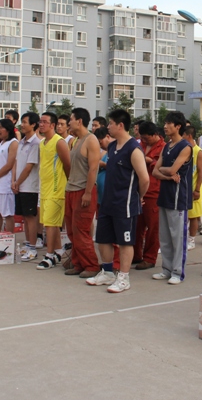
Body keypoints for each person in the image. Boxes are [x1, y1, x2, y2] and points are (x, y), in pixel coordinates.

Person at [86, 109, 150, 293]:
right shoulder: (112, 146)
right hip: (107, 202)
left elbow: (144, 179)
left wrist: (139, 196)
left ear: (120, 125)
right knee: (103, 239)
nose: (108, 127)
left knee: (125, 242)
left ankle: (123, 277)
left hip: (125, 204)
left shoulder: (134, 149)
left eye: (111, 123)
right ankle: (107, 272)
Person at [152, 111, 193, 285]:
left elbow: (172, 169)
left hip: (178, 198)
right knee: (165, 237)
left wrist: (166, 171)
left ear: (178, 126)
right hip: (165, 195)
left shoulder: (185, 147)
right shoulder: (166, 146)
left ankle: (177, 271)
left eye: (169, 123)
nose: (165, 126)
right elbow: (155, 171)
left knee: (178, 237)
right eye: (165, 123)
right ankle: (166, 269)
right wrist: (168, 175)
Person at [63, 108, 102, 278]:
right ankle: (78, 263)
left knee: (81, 230)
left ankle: (92, 265)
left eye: (71, 119)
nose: (69, 123)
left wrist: (87, 192)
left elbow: (93, 168)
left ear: (79, 121)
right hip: (71, 189)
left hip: (83, 191)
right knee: (72, 231)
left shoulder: (91, 140)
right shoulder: (76, 141)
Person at [36, 112, 71, 270]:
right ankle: (58, 251)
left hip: (57, 190)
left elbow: (68, 165)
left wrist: (67, 185)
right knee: (50, 224)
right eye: (40, 121)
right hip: (44, 189)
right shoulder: (42, 143)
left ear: (53, 125)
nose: (41, 124)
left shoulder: (59, 142)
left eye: (45, 122)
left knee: (51, 224)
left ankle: (49, 255)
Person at [135, 121, 165, 270]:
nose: (144, 141)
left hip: (154, 192)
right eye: (142, 138)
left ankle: (149, 258)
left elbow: (163, 167)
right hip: (138, 190)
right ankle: (135, 255)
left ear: (155, 135)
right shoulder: (139, 145)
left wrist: (150, 161)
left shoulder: (164, 147)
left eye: (146, 138)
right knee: (136, 226)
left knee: (153, 228)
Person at [13, 112, 42, 261]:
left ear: (33, 124)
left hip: (30, 186)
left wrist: (18, 182)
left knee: (31, 217)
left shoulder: (36, 143)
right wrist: (14, 181)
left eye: (25, 122)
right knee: (24, 217)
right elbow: (16, 163)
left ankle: (33, 247)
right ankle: (28, 243)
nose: (22, 125)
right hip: (19, 186)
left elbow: (29, 167)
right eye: (22, 122)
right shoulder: (21, 142)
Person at [0, 119, 18, 234]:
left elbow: (9, 164)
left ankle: (9, 238)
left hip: (5, 185)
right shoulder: (1, 143)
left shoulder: (13, 143)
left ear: (8, 129)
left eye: (1, 128)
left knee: (8, 214)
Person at [184, 127, 202, 250]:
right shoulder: (184, 150)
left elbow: (200, 172)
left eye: (183, 135)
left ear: (189, 136)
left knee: (193, 216)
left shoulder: (198, 151)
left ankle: (191, 239)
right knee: (184, 215)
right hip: (184, 187)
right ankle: (184, 238)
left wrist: (197, 189)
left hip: (194, 188)